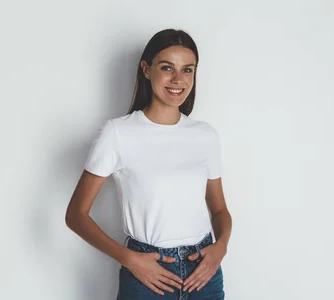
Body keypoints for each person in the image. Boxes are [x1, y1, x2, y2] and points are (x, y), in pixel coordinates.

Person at [65, 28, 232, 300]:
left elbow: (220, 210)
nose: (178, 79)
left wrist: (220, 247)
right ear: (146, 69)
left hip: (204, 274)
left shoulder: (205, 135)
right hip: (148, 275)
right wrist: (130, 259)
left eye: (188, 70)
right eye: (167, 68)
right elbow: (76, 214)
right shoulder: (117, 133)